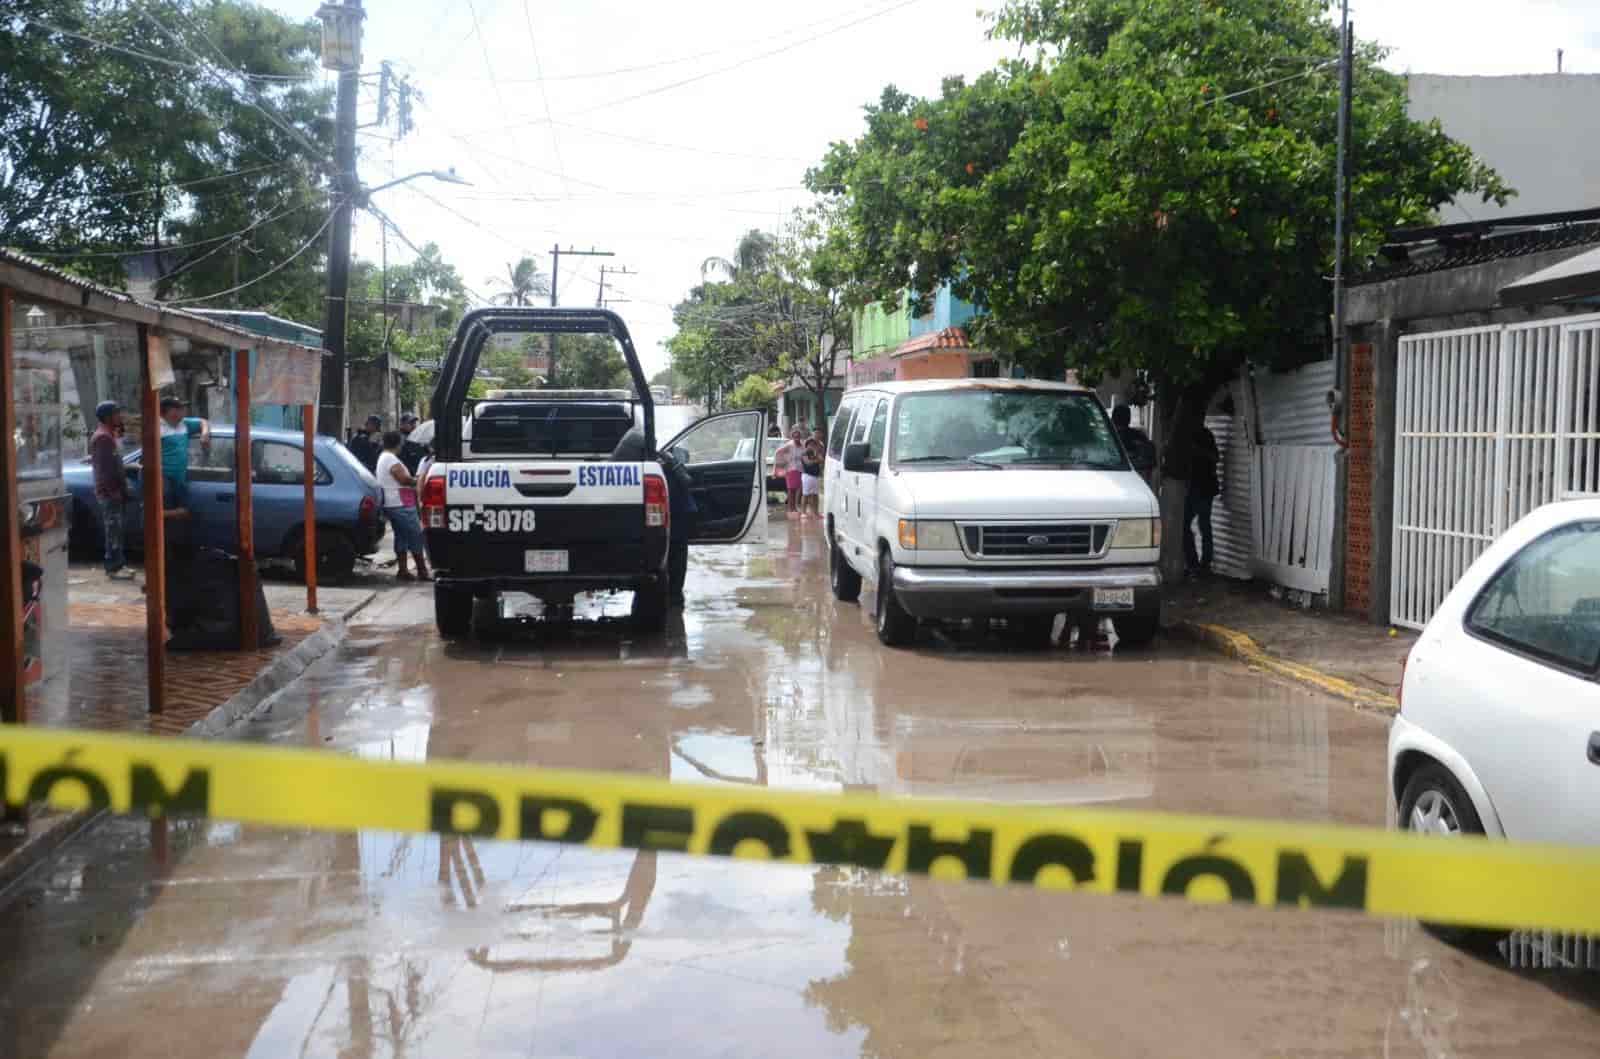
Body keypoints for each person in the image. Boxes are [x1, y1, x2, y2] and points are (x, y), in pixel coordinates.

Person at [375, 431, 430, 581]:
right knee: (416, 536)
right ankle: (422, 571)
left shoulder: (384, 457)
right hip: (400, 504)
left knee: (402, 537)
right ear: (398, 443)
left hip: (394, 503)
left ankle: (403, 570)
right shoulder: (390, 459)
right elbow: (403, 479)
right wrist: (418, 481)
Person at [89, 401, 134, 579]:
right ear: (108, 416)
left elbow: (114, 463)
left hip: (114, 491)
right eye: (116, 414)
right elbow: (105, 470)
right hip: (110, 493)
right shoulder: (103, 437)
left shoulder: (109, 434)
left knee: (116, 529)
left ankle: (118, 564)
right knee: (113, 530)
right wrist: (115, 493)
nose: (119, 417)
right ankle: (113, 567)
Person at [158, 396, 209, 511]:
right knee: (166, 514)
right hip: (163, 480)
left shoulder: (184, 424)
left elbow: (203, 421)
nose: (183, 412)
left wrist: (205, 434)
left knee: (182, 514)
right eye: (179, 409)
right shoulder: (156, 428)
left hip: (180, 479)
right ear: (171, 412)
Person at [1184, 422, 1221, 576]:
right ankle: (1194, 563)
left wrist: (1197, 451)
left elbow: (1215, 458)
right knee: (1186, 525)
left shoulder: (1205, 435)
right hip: (1193, 487)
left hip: (1204, 487)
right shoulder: (1185, 436)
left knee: (1203, 524)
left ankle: (1204, 563)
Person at [1111, 404, 1157, 483]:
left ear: (1112, 419)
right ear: (1129, 419)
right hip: (1136, 480)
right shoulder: (1139, 436)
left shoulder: (1109, 436)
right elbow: (1150, 463)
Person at [782, 427, 805, 516]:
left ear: (800, 436)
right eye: (795, 436)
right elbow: (779, 453)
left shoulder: (803, 445)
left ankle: (795, 507)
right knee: (791, 490)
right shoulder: (789, 445)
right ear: (792, 437)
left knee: (798, 489)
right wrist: (785, 461)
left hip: (800, 469)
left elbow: (805, 456)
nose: (796, 438)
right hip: (791, 469)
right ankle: (791, 509)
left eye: (798, 436)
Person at [800, 438, 824, 518]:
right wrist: (816, 460)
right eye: (810, 444)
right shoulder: (804, 453)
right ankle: (803, 512)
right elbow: (808, 463)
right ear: (806, 446)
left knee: (815, 495)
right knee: (805, 494)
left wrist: (816, 454)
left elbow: (822, 460)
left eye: (813, 445)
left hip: (815, 476)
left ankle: (816, 512)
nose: (812, 446)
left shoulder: (816, 453)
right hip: (807, 476)